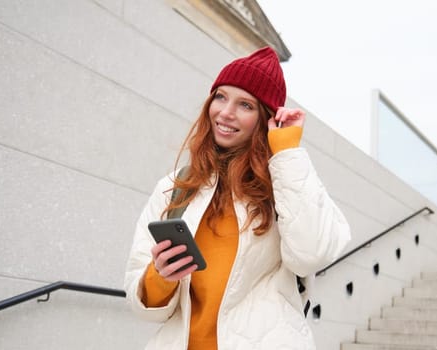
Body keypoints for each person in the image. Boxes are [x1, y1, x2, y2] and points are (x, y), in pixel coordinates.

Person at [123, 46, 351, 350]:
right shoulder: (175, 186)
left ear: (265, 117)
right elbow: (143, 302)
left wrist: (287, 152)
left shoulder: (284, 185)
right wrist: (161, 276)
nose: (226, 112)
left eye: (245, 105)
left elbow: (312, 255)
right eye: (220, 97)